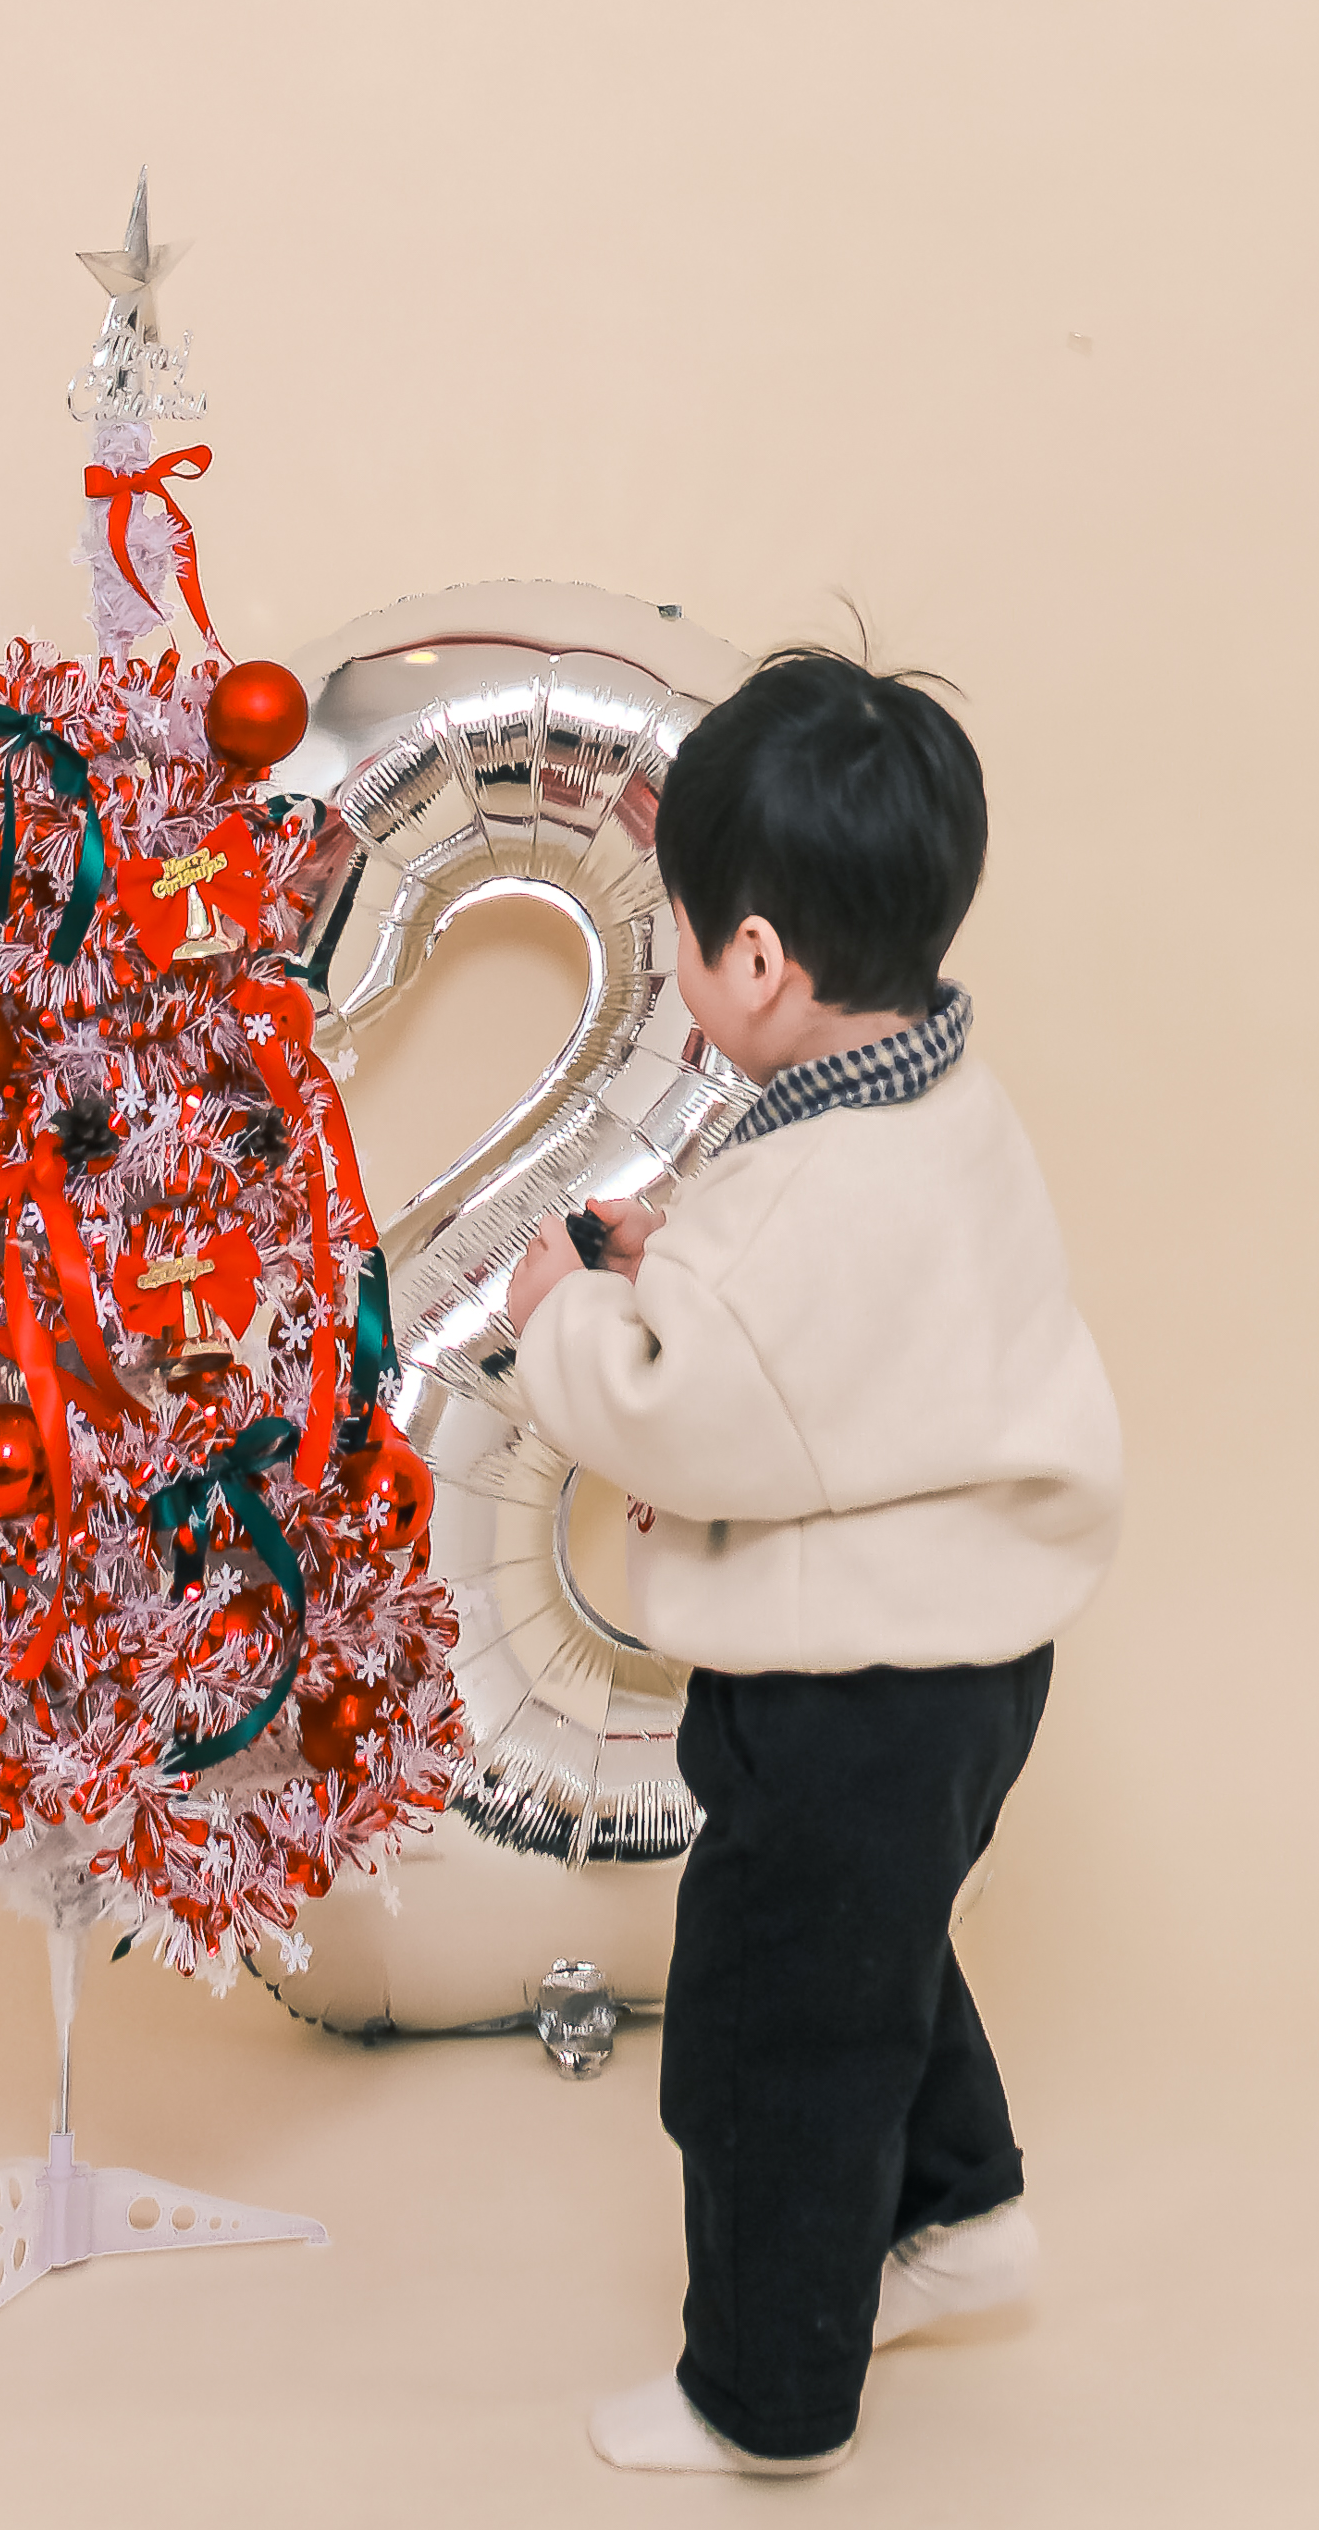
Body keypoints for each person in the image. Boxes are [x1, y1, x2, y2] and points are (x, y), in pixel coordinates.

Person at [503, 646, 1124, 2478]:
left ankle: (765, 2399)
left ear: (758, 963)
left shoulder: (803, 1203)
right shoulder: (941, 1101)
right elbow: (843, 1333)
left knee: (770, 2041)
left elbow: (684, 1411)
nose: (687, 967)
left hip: (852, 1693)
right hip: (971, 1666)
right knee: (875, 1954)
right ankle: (958, 2218)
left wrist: (563, 1315)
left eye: (688, 935)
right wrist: (684, 1251)